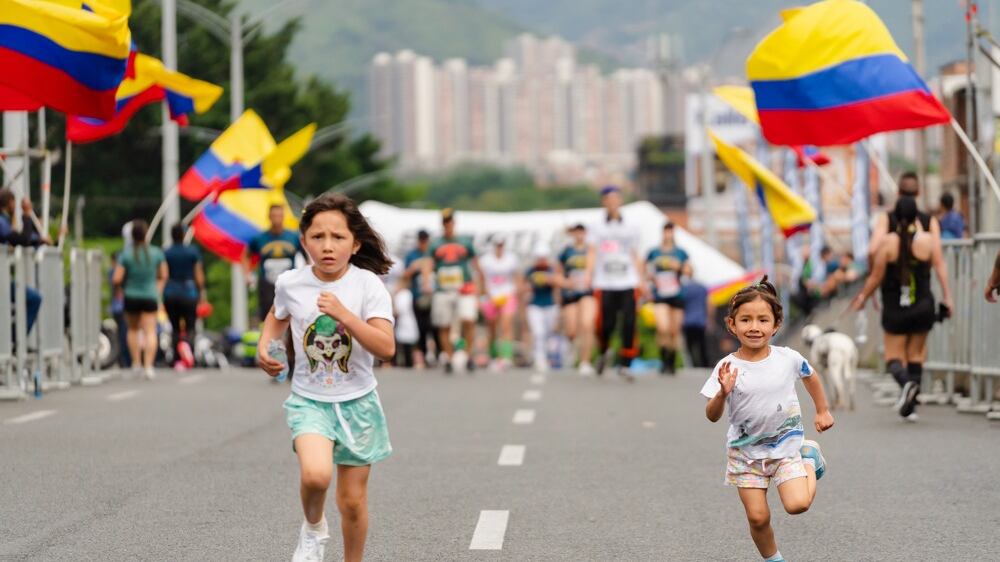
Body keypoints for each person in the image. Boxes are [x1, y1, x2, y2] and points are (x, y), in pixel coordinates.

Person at [256, 193, 395, 562]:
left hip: (359, 403)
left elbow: (386, 347)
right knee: (316, 476)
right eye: (317, 237)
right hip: (310, 400)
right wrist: (264, 344)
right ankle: (314, 529)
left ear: (355, 243)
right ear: (303, 242)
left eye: (338, 237)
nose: (327, 246)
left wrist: (346, 316)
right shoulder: (291, 283)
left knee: (351, 503)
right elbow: (276, 315)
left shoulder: (368, 286)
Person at [702, 277, 834, 562]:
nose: (754, 327)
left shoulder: (787, 358)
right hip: (745, 454)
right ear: (731, 324)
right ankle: (774, 560)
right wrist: (722, 394)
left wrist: (822, 410)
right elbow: (712, 416)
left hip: (786, 448)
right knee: (758, 518)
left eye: (763, 320)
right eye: (745, 320)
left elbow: (810, 375)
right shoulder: (726, 366)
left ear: (776, 325)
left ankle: (809, 459)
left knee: (798, 504)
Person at [851, 197, 949, 422]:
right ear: (917, 216)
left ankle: (907, 385)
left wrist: (863, 297)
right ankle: (911, 408)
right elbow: (940, 267)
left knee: (894, 357)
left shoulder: (887, 243)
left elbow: (876, 277)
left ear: (895, 217)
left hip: (895, 307)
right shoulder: (928, 242)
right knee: (916, 355)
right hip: (924, 306)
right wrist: (948, 298)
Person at [868, 171, 953, 316]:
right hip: (922, 295)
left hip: (893, 294)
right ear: (918, 192)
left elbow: (872, 251)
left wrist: (873, 281)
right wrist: (947, 296)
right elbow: (939, 263)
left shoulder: (886, 218)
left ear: (898, 192)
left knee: (894, 337)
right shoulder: (929, 221)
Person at [585, 186, 646, 381]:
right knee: (605, 324)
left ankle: (626, 363)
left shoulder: (632, 225)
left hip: (627, 281)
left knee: (629, 323)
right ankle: (603, 352)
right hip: (605, 282)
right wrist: (588, 273)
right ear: (603, 202)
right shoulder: (596, 226)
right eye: (608, 199)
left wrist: (641, 279)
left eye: (616, 199)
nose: (612, 203)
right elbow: (592, 251)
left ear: (620, 201)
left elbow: (636, 254)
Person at [422, 208, 483, 374]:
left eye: (450, 222)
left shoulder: (465, 241)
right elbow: (428, 263)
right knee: (444, 324)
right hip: (443, 288)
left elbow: (476, 263)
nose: (448, 225)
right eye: (445, 222)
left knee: (469, 319)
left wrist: (480, 285)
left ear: (454, 223)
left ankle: (469, 355)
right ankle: (448, 357)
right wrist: (427, 281)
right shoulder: (435, 244)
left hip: (464, 287)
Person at [112, 220, 167, 380]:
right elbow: (163, 274)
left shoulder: (126, 254)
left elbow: (117, 278)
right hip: (150, 296)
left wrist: (121, 289)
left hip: (131, 296)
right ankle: (148, 366)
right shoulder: (156, 253)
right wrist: (158, 290)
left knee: (133, 330)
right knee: (150, 331)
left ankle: (136, 363)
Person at [242, 203, 304, 325]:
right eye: (274, 215)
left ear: (283, 217)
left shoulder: (293, 237)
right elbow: (245, 255)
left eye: (279, 215)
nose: (276, 218)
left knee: (291, 312)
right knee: (267, 314)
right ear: (269, 217)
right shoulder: (259, 238)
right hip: (267, 284)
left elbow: (308, 255)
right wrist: (247, 274)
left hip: (289, 283)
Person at [646, 222, 689, 374]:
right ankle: (663, 358)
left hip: (676, 294)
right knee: (662, 327)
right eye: (666, 231)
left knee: (674, 330)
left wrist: (680, 267)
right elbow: (646, 270)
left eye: (671, 232)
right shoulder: (654, 253)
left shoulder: (680, 253)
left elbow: (690, 271)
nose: (668, 235)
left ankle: (671, 360)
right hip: (660, 294)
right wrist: (648, 278)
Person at [0, 188, 44, 334]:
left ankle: (12, 342)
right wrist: (26, 214)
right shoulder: (1, 221)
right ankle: (14, 341)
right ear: (11, 202)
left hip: (4, 279)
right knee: (34, 299)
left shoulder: (4, 220)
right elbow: (23, 239)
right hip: (2, 282)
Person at [163, 224, 206, 368]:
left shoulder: (166, 253)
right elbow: (198, 275)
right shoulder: (192, 252)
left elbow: (163, 275)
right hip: (189, 293)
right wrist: (201, 293)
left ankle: (175, 357)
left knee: (174, 327)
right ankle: (190, 355)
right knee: (190, 326)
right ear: (183, 235)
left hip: (170, 292)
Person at [557, 224, 596, 375]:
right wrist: (565, 283)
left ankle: (585, 361)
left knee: (587, 323)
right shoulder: (567, 251)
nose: (580, 235)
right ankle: (571, 346)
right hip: (570, 294)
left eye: (582, 232)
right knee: (572, 330)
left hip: (587, 292)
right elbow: (557, 274)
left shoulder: (592, 250)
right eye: (577, 232)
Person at [478, 236, 521, 371]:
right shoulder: (485, 260)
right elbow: (480, 279)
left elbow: (517, 277)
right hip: (491, 296)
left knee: (506, 325)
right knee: (492, 327)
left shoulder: (511, 259)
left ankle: (506, 356)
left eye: (502, 244)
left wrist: (516, 292)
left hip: (507, 294)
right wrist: (481, 296)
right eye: (497, 244)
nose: (499, 247)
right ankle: (493, 355)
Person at [403, 229, 439, 368]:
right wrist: (414, 267)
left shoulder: (433, 253)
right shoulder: (412, 255)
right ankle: (423, 354)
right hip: (418, 296)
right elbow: (405, 275)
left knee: (435, 326)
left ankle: (438, 353)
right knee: (421, 327)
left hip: (433, 296)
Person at [523, 243, 559, 372]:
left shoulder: (552, 270)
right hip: (534, 305)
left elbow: (558, 285)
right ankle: (539, 358)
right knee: (538, 333)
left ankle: (549, 356)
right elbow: (522, 287)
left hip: (550, 305)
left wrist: (551, 280)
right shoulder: (530, 271)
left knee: (548, 333)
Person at [681, 270, 712, 368]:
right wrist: (709, 319)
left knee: (690, 345)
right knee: (702, 344)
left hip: (687, 321)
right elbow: (709, 304)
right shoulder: (702, 287)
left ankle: (693, 365)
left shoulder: (682, 289)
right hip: (700, 320)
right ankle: (704, 364)